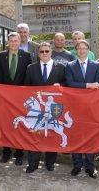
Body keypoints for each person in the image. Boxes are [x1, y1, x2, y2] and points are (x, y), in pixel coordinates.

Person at [24, 42, 66, 173]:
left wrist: (60, 84)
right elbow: (26, 88)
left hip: (52, 109)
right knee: (34, 134)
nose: (44, 54)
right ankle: (33, 163)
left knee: (51, 135)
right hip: (37, 109)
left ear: (51, 52)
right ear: (38, 53)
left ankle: (50, 163)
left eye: (46, 51)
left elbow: (67, 84)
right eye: (41, 51)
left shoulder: (61, 68)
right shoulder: (31, 68)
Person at [65, 39, 99, 178]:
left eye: (84, 48)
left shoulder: (96, 65)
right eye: (79, 48)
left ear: (88, 50)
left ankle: (90, 167)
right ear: (76, 51)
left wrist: (91, 85)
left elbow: (98, 83)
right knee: (76, 136)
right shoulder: (70, 65)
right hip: (75, 107)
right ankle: (76, 165)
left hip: (91, 108)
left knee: (90, 137)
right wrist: (88, 85)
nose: (81, 50)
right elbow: (70, 83)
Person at [0, 32, 32, 165]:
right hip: (4, 98)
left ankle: (19, 153)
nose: (13, 43)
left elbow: (28, 75)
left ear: (19, 42)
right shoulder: (0, 56)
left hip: (20, 98)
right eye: (11, 41)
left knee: (20, 125)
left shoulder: (26, 56)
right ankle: (6, 152)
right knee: (6, 125)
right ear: (8, 42)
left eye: (16, 41)